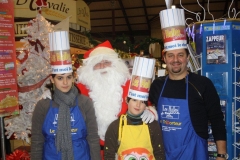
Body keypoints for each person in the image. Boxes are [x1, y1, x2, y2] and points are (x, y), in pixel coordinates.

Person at [76, 40, 157, 157]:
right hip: (93, 152)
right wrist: (53, 94)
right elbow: (65, 95)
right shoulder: (81, 89)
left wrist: (150, 111)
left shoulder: (130, 84)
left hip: (125, 152)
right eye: (98, 63)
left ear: (115, 64)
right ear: (90, 68)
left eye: (106, 62)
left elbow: (146, 102)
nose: (102, 66)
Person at [31, 31, 100, 160]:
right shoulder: (43, 105)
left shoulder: (85, 102)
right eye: (60, 78)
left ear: (73, 78)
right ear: (52, 80)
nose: (65, 82)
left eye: (69, 77)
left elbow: (93, 138)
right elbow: (37, 141)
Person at [149, 48, 227, 160]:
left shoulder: (203, 84)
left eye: (180, 55)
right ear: (165, 59)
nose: (175, 60)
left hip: (194, 153)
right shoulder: (157, 85)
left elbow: (217, 120)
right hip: (162, 155)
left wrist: (221, 155)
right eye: (170, 55)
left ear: (187, 58)